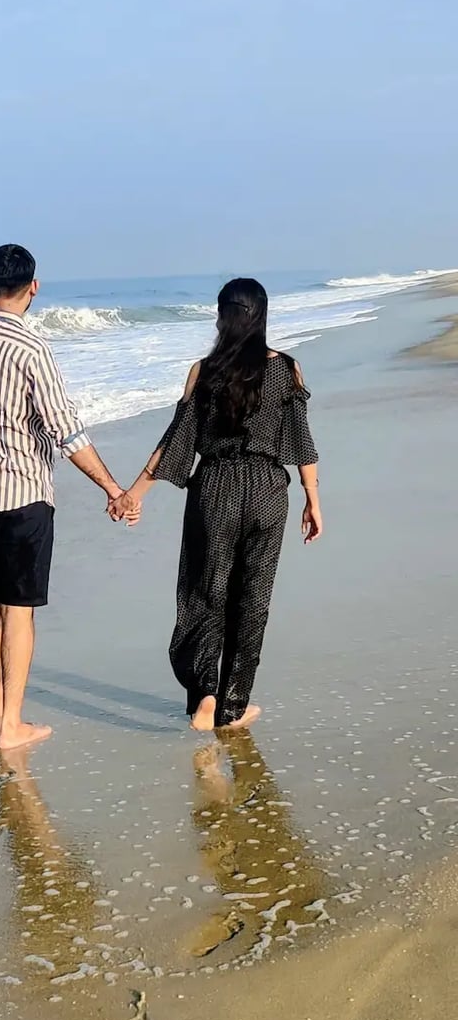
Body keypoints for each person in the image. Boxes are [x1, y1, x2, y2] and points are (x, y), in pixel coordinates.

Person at [0, 244, 136, 751]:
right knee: (19, 610)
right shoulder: (31, 349)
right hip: (23, 494)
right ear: (34, 287)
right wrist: (114, 489)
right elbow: (65, 430)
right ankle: (11, 726)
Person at [111, 277, 322, 731]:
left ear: (221, 316)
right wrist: (313, 499)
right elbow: (301, 439)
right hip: (268, 489)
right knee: (253, 599)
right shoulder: (287, 369)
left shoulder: (203, 372)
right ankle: (233, 705)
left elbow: (177, 441)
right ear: (262, 316)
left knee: (205, 592)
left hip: (215, 487)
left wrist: (134, 493)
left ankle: (205, 695)